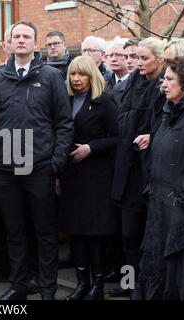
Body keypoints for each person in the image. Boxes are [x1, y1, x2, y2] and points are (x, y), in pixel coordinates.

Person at [0, 20, 73, 300]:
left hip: (40, 167)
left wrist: (56, 161)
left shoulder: (50, 77)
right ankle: (19, 286)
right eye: (17, 36)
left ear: (35, 44)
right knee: (14, 232)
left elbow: (63, 122)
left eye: (27, 36)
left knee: (45, 232)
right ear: (9, 43)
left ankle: (48, 289)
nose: (21, 40)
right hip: (5, 169)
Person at [139, 55, 184, 300]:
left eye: (169, 79)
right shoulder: (169, 110)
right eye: (163, 79)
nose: (163, 84)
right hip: (160, 208)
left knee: (179, 282)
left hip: (182, 213)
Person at [58, 55, 119, 300]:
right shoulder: (65, 100)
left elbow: (118, 137)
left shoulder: (105, 101)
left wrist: (91, 148)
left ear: (91, 76)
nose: (76, 79)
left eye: (81, 74)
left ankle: (97, 286)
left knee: (94, 233)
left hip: (96, 178)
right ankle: (82, 284)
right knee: (76, 232)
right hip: (71, 176)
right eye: (73, 74)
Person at [111, 37, 166, 299]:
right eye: (134, 57)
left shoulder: (163, 87)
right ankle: (128, 284)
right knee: (127, 234)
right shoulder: (132, 83)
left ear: (159, 59)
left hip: (149, 172)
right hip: (127, 168)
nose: (137, 63)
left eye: (143, 58)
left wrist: (151, 136)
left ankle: (145, 287)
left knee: (146, 236)